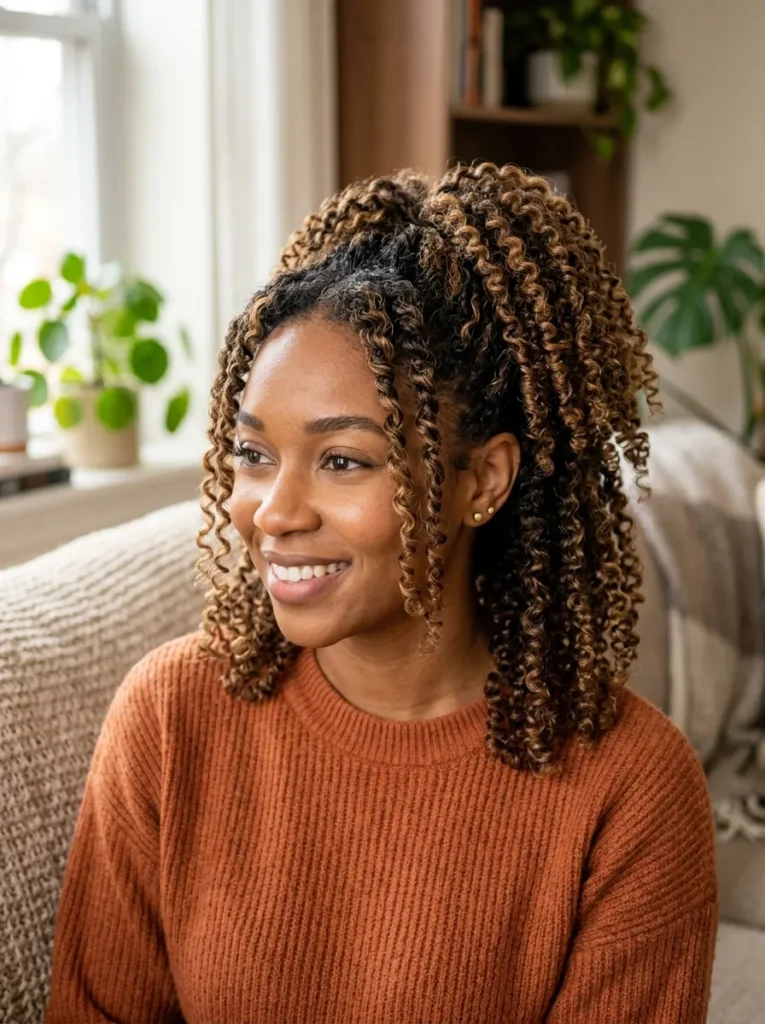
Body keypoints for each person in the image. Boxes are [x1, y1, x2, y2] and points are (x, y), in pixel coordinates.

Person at [44, 162, 719, 1023]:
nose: (273, 513)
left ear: (483, 479)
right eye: (253, 454)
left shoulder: (630, 789)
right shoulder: (171, 719)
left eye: (343, 461)